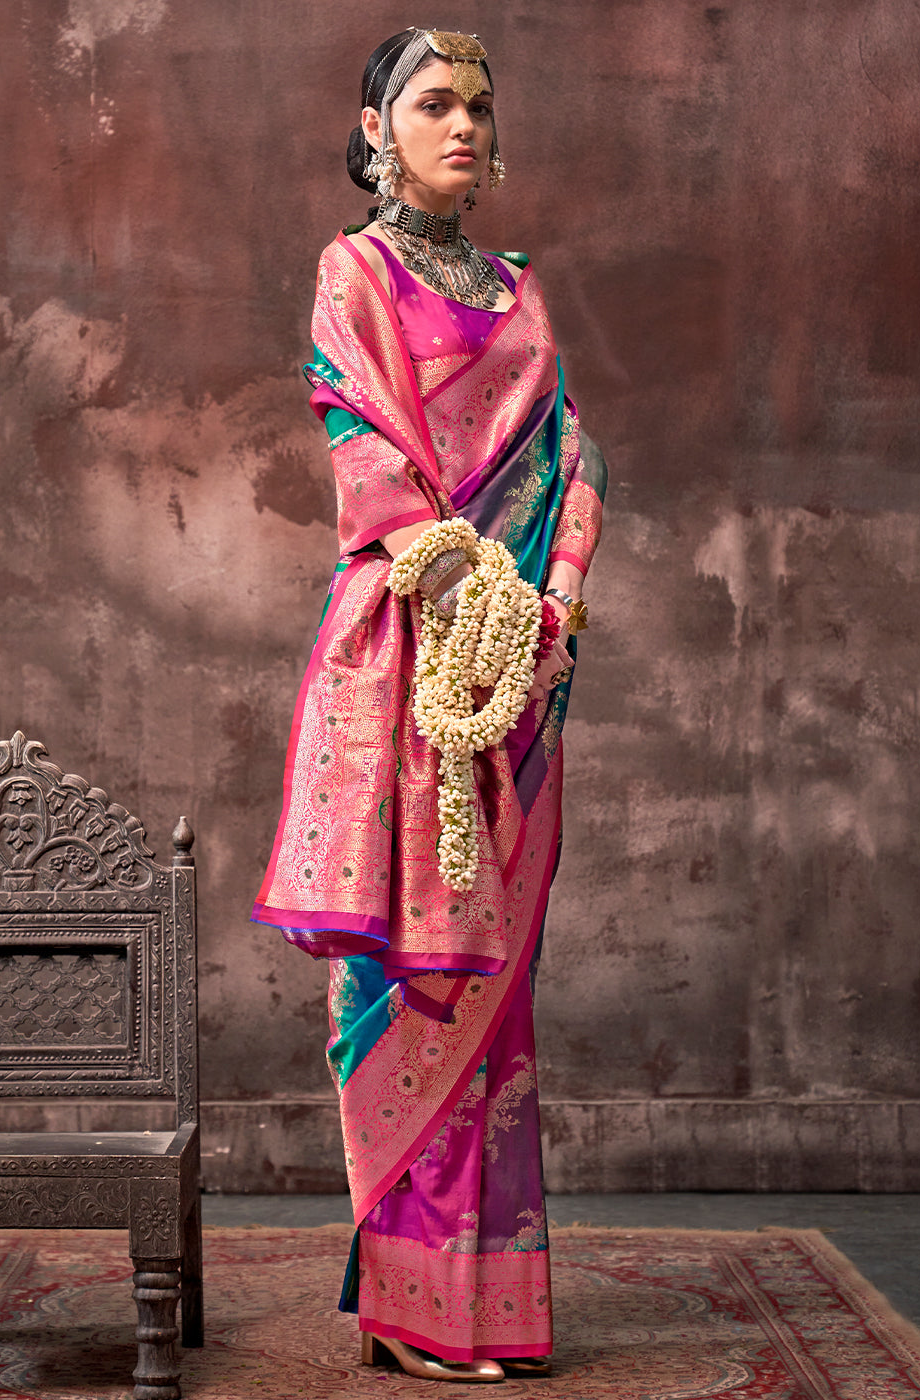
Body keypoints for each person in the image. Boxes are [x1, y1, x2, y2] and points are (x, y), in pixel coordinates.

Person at [253, 27, 606, 1383]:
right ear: (374, 125)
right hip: (408, 667)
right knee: (398, 974)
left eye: (478, 105)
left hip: (526, 678)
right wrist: (463, 596)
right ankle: (411, 1308)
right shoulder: (357, 275)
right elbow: (367, 456)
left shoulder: (521, 294)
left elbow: (576, 459)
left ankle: (485, 1307)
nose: (461, 124)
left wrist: (554, 610)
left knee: (499, 1001)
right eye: (432, 103)